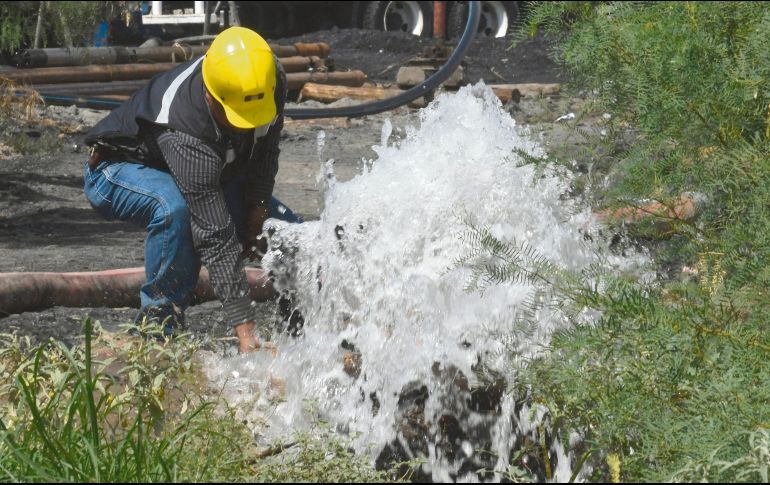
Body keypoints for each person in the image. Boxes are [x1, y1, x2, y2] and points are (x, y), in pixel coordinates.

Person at [83, 26, 301, 353]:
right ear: (211, 96)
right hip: (117, 171)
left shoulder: (268, 79)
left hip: (204, 170)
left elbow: (266, 150)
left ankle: (299, 332)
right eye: (236, 118)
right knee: (178, 212)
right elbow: (215, 233)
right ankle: (159, 334)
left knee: (288, 233)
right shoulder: (185, 129)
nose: (247, 126)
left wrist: (257, 213)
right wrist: (244, 329)